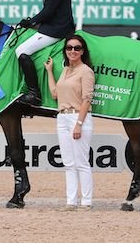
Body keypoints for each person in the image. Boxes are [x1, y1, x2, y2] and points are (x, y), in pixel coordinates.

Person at [16, 0, 75, 106]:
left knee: (21, 51)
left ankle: (35, 94)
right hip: (53, 25)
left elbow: (49, 10)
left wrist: (31, 21)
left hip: (57, 28)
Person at [44, 34, 95, 211]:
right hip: (62, 117)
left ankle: (86, 201)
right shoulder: (65, 70)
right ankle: (71, 201)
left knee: (81, 162)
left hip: (77, 116)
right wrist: (50, 71)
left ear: (82, 51)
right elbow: (54, 94)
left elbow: (87, 99)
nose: (72, 51)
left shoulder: (86, 71)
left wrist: (79, 124)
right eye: (69, 47)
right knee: (68, 163)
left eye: (77, 48)